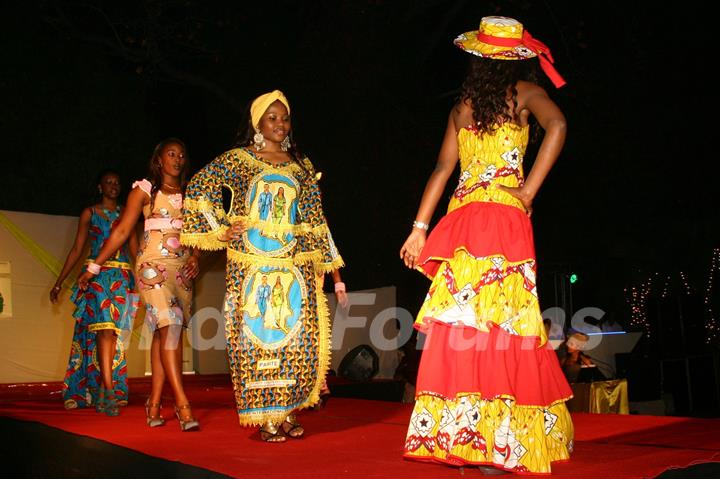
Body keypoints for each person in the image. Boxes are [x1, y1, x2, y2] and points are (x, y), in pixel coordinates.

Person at [399, 16, 573, 475]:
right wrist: (529, 190)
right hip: (504, 220)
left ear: (478, 59)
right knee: (503, 326)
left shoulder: (464, 105)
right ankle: (498, 440)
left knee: (463, 327)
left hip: (463, 221)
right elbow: (558, 127)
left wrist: (420, 227)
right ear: (516, 58)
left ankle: (466, 433)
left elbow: (441, 170)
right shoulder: (525, 94)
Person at [180, 90, 347, 442]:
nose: (280, 124)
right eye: (272, 118)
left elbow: (317, 220)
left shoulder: (301, 166)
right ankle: (265, 415)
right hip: (251, 263)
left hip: (293, 263)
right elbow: (198, 189)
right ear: (258, 123)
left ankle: (286, 412)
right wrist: (223, 228)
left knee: (294, 338)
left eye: (284, 118)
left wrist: (333, 271)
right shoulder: (240, 159)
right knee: (257, 338)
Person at [78, 138, 201, 431]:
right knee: (169, 327)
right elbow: (121, 230)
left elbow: (201, 233)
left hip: (182, 272)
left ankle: (154, 402)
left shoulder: (192, 195)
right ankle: (182, 404)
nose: (178, 159)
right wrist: (95, 266)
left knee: (165, 335)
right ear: (159, 159)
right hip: (152, 268)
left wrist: (196, 255)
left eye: (182, 154)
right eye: (171, 154)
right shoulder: (143, 191)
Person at [51, 169, 139, 415]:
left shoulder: (127, 213)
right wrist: (59, 282)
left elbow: (134, 248)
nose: (113, 185)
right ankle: (107, 391)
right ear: (100, 187)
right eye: (108, 182)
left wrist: (144, 276)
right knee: (104, 330)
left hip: (121, 277)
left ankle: (107, 389)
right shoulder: (89, 213)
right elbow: (77, 248)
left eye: (116, 183)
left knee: (113, 335)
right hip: (97, 276)